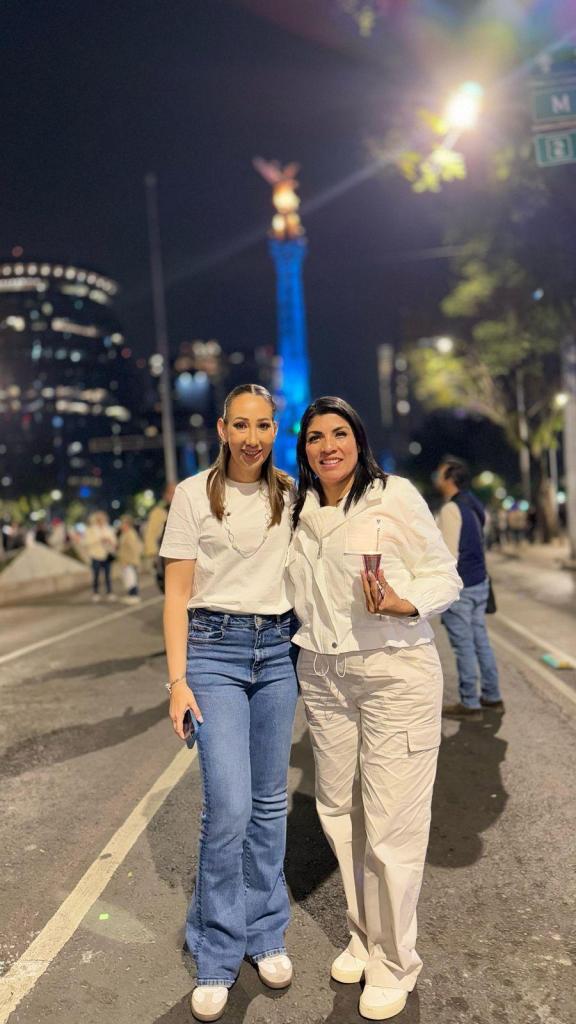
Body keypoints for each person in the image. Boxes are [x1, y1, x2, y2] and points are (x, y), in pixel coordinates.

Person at [288, 397, 461, 1022]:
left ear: (358, 440)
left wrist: (403, 602)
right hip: (324, 676)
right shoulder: (298, 510)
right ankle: (365, 935)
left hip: (394, 672)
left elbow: (444, 575)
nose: (327, 446)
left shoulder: (394, 496)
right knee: (338, 811)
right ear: (304, 450)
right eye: (315, 437)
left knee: (392, 825)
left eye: (339, 433)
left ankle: (394, 962)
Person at [160, 383, 298, 1023]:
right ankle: (217, 950)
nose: (252, 437)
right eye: (240, 425)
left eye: (263, 425)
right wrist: (177, 682)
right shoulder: (193, 495)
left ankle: (265, 929)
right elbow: (176, 594)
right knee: (230, 808)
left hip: (277, 651)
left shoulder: (290, 494)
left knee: (269, 804)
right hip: (213, 652)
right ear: (221, 429)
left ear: (275, 429)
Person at [435, 456, 504, 719]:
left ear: (450, 479)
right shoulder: (473, 503)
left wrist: (442, 587)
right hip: (480, 581)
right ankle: (492, 696)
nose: (437, 477)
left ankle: (470, 702)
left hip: (462, 586)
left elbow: (449, 555)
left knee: (463, 645)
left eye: (441, 473)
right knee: (480, 640)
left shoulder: (451, 509)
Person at [84, 511, 117, 602]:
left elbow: (114, 541)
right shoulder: (91, 530)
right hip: (95, 555)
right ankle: (95, 593)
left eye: (102, 519)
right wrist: (99, 540)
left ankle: (109, 592)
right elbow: (87, 542)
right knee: (96, 575)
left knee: (108, 575)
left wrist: (109, 541)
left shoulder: (109, 529)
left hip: (107, 554)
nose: (101, 521)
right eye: (99, 519)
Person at [117, 514, 143, 604]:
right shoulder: (125, 534)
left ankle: (134, 596)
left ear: (127, 524)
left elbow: (133, 549)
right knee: (128, 579)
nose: (121, 525)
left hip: (129, 562)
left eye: (122, 523)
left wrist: (129, 561)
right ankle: (131, 595)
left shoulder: (130, 534)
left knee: (131, 579)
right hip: (126, 561)